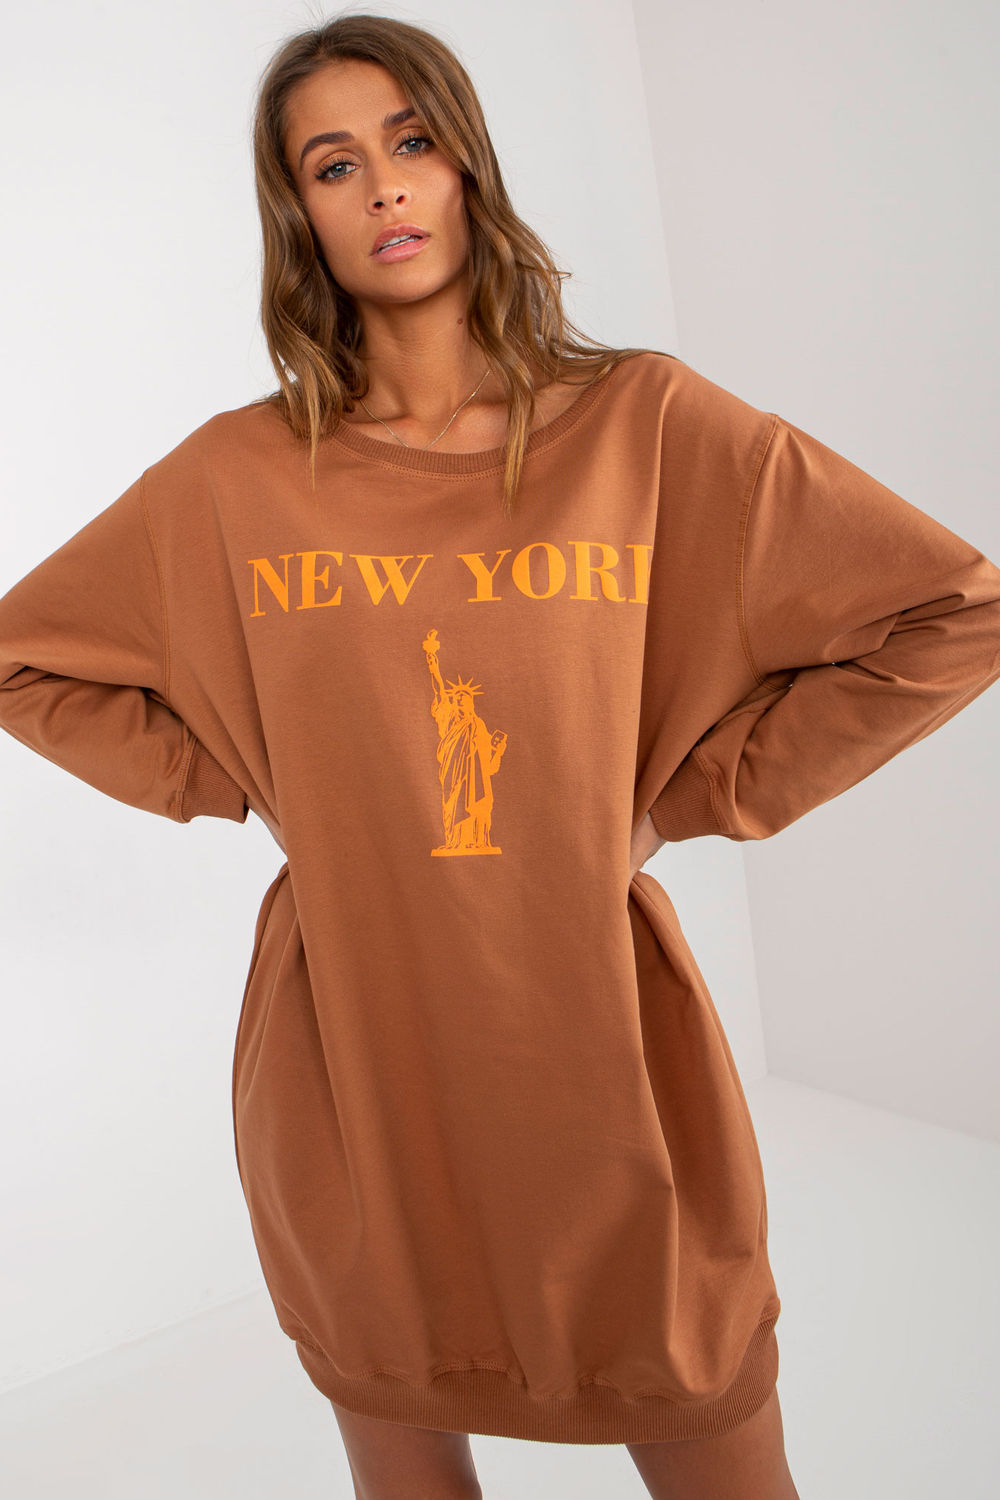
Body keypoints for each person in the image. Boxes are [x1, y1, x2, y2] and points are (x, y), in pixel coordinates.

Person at [2, 13, 999, 1500]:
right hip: (355, 1061)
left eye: (411, 141)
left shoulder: (646, 426)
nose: (385, 186)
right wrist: (255, 778)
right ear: (300, 213)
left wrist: (693, 795)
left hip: (599, 1050)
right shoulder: (236, 478)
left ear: (467, 164)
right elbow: (25, 658)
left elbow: (953, 613)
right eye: (334, 163)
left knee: (716, 1431)